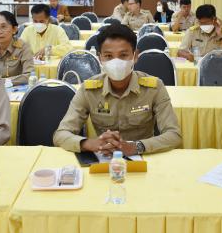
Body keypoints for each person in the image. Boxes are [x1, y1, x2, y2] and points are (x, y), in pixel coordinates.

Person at [53, 24, 182, 155]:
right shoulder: (88, 90)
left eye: (123, 55)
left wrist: (136, 147)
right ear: (100, 58)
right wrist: (89, 143)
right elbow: (61, 134)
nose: (116, 62)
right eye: (108, 56)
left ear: (135, 56)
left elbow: (173, 134)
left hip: (144, 157)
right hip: (104, 156)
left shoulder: (154, 87)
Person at [0, 11, 34, 85]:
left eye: (3, 27)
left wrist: (3, 82)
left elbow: (29, 75)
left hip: (14, 91)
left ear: (14, 29)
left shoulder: (23, 47)